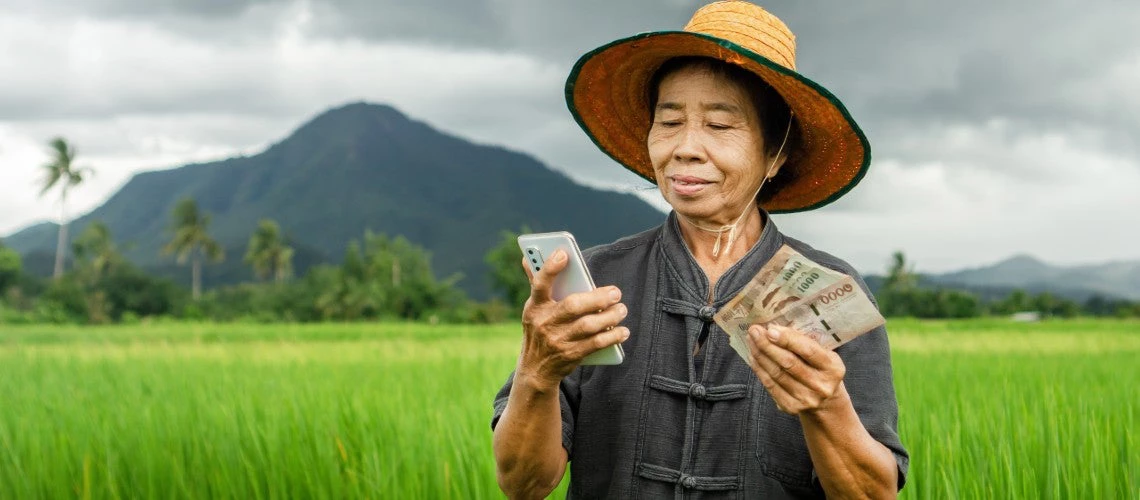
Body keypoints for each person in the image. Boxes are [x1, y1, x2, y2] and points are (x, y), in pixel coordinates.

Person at [490, 2, 908, 498]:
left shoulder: (830, 292)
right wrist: (538, 371)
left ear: (775, 155)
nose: (685, 147)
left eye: (719, 124)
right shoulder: (594, 283)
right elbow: (522, 484)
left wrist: (825, 405)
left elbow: (871, 494)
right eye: (669, 122)